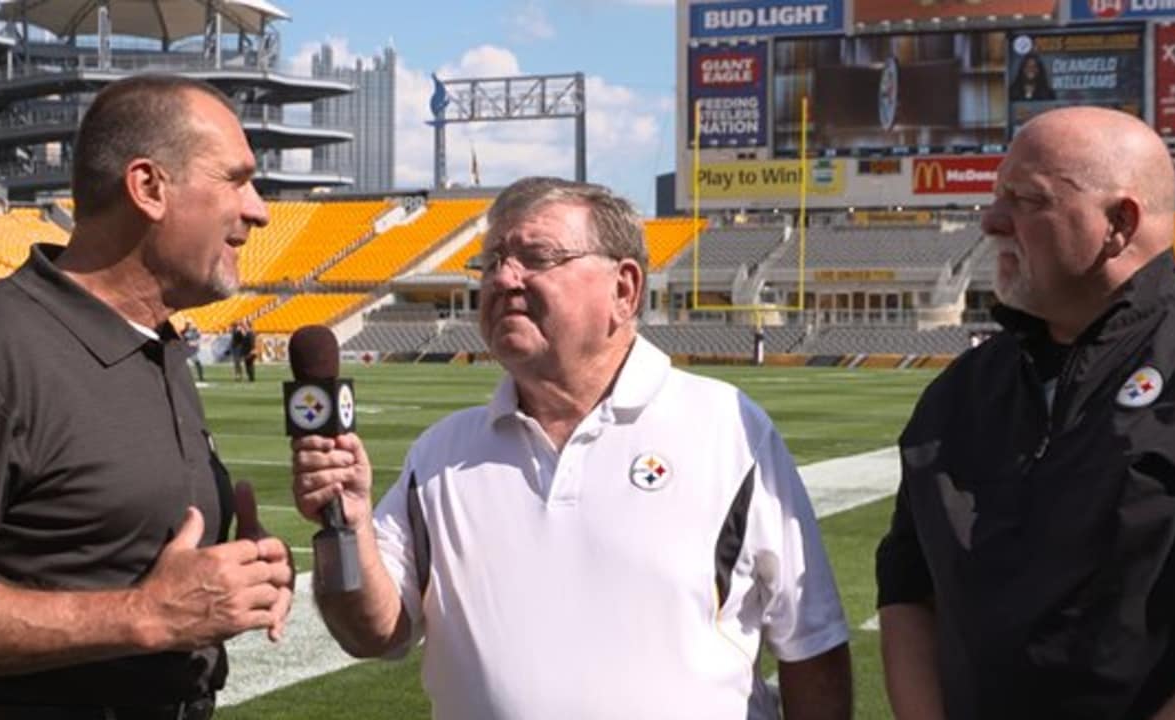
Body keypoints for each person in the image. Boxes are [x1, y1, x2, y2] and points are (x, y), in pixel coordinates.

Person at [292, 177, 852, 719]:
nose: (504, 278)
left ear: (624, 289)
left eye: (535, 257)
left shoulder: (727, 429)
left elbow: (812, 645)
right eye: (490, 262)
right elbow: (373, 631)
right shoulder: (440, 455)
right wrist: (346, 528)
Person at [876, 106, 1175, 719]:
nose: (991, 221)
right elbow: (908, 588)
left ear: (1119, 224)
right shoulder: (961, 392)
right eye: (997, 195)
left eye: (1025, 199)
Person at [0, 75, 292, 719]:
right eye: (235, 179)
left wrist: (243, 577)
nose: (259, 210)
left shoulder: (158, 344)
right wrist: (141, 616)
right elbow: (146, 607)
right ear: (148, 188)